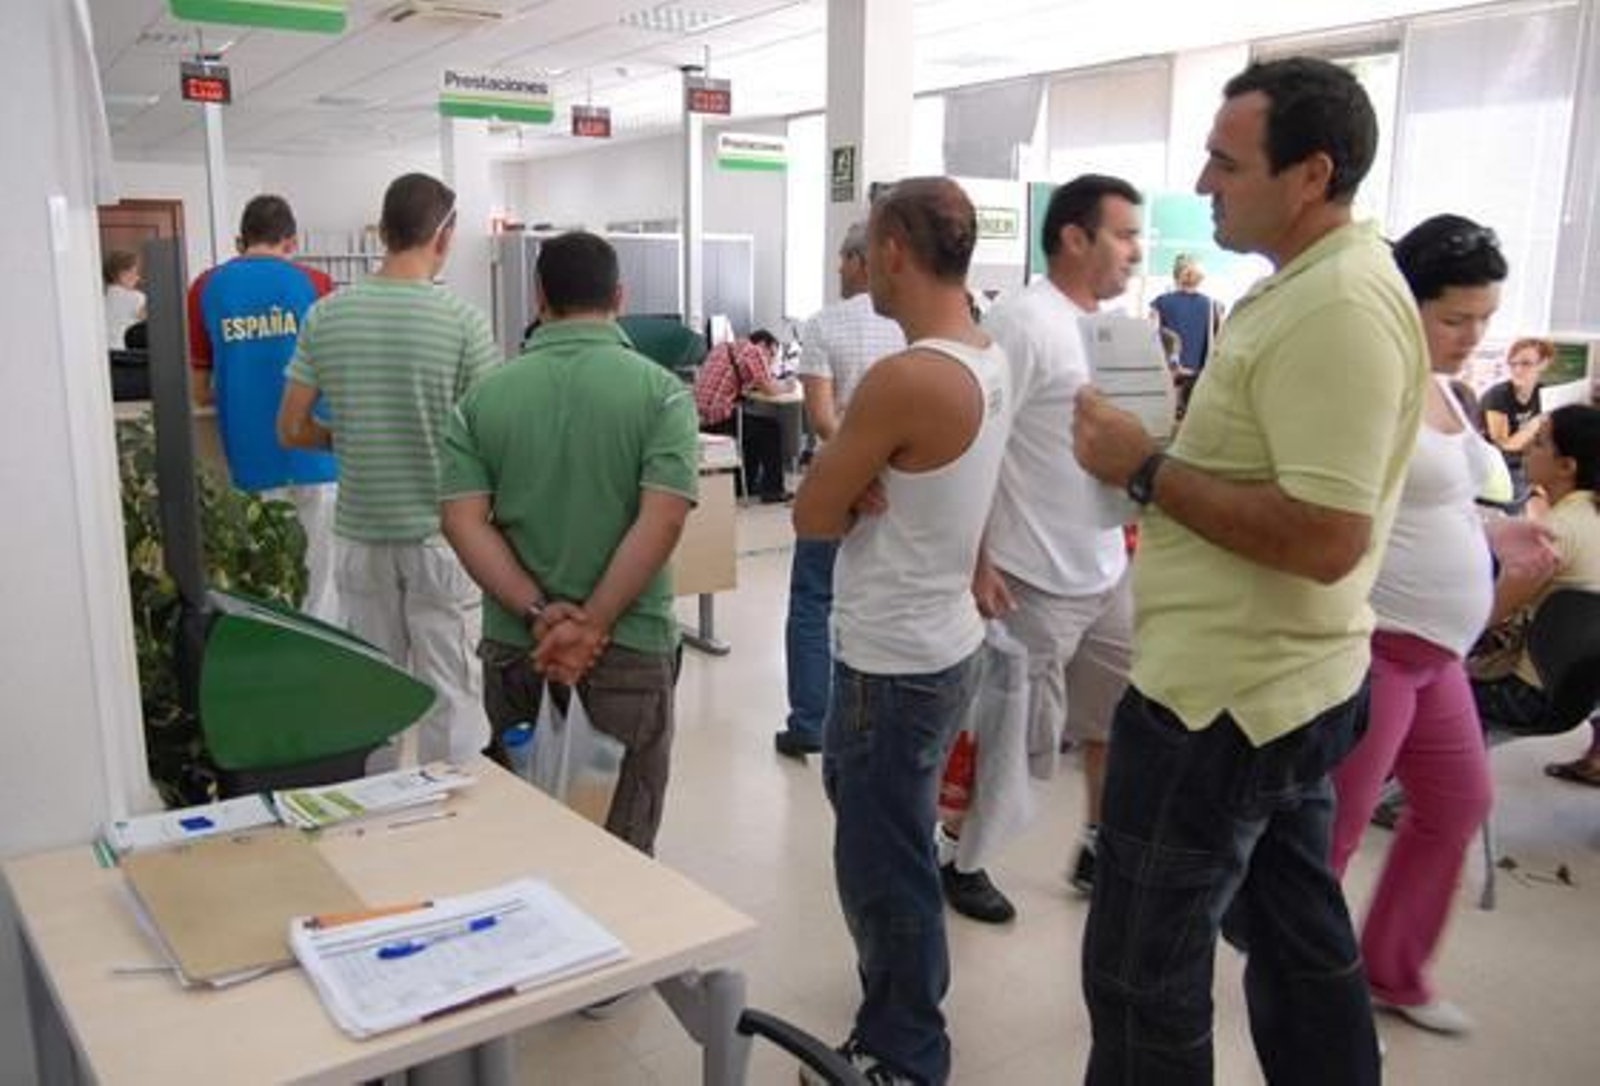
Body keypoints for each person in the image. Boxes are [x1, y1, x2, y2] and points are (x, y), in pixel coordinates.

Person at [1070, 57, 1426, 1085]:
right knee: (1297, 943)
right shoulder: (1302, 290)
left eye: (1227, 164)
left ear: (1310, 175)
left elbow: (1324, 537)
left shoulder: (1338, 309)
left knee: (1141, 976)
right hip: (1274, 687)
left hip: (1220, 706)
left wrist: (1143, 468)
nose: (1204, 184)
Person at [793, 177, 1010, 1086]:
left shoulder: (907, 377)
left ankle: (904, 1049)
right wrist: (863, 474)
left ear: (890, 252)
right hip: (940, 639)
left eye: (866, 250)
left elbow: (811, 512)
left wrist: (851, 474)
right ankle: (902, 1002)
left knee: (883, 862)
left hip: (893, 657)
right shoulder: (985, 356)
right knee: (888, 826)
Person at [1328, 213, 1552, 1037]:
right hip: (1378, 646)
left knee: (1457, 804)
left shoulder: (1449, 391)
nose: (1473, 336)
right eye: (1456, 317)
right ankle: (1310, 992)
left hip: (1439, 655)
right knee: (1335, 831)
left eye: (1484, 319)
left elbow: (1445, 503)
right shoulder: (1371, 384)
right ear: (1406, 302)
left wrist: (1499, 533)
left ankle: (1394, 968)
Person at [440, 231, 697, 854]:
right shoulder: (663, 394)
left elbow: (463, 521)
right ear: (619, 297)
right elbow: (662, 519)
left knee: (531, 841)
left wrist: (537, 611)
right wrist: (593, 624)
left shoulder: (481, 401)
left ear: (539, 297)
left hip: (519, 649)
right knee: (621, 851)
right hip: (629, 648)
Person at [945, 173, 1142, 925]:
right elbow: (977, 442)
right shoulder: (1023, 322)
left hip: (1106, 565)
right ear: (1074, 237)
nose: (1134, 251)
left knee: (1115, 719)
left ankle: (1099, 845)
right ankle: (960, 855)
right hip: (1031, 572)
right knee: (1011, 734)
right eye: (1123, 235)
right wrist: (977, 561)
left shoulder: (1113, 330)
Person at [278, 172, 497, 766]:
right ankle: (452, 809)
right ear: (444, 236)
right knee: (452, 694)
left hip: (362, 539)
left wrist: (348, 435)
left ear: (382, 232)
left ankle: (379, 806)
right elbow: (492, 439)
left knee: (371, 697)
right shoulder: (464, 322)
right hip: (444, 541)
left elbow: (291, 428)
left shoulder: (326, 315)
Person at [775, 222, 905, 759]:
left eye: (842, 260)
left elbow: (823, 419)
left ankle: (810, 720)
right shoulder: (908, 325)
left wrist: (855, 469)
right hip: (899, 487)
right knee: (885, 598)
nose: (838, 269)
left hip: (840, 484)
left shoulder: (824, 323)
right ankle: (877, 723)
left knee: (813, 597)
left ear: (859, 261)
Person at [187, 195, 341, 623]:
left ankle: (276, 651)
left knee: (265, 581)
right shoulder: (317, 283)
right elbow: (336, 371)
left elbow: (199, 390)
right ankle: (321, 652)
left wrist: (242, 384)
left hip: (250, 455)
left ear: (240, 240)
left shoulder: (205, 287)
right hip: (317, 452)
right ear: (291, 242)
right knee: (323, 581)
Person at [1473, 405, 1600, 736]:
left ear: (1567, 466)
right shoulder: (1588, 517)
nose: (1526, 447)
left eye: (1539, 442)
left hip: (1526, 695)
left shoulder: (1555, 533)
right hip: (1581, 695)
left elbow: (1482, 618)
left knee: (1410, 681)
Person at [693, 328, 794, 502]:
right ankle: (773, 490)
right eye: (771, 354)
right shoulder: (753, 351)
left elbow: (739, 379)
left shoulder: (723, 347)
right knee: (771, 428)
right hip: (719, 418)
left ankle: (743, 485)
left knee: (753, 428)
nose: (769, 360)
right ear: (763, 344)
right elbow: (770, 389)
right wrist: (788, 386)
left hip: (700, 419)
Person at [1482, 336, 1555, 501]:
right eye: (1513, 364)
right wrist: (1536, 423)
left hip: (1525, 461)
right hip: (1499, 465)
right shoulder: (1498, 395)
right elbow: (1504, 446)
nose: (1517, 370)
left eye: (1526, 364)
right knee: (1527, 494)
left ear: (1543, 364)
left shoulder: (1544, 393)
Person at [1149, 252, 1223, 376]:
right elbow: (1220, 343)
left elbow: (1151, 338)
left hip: (1169, 375)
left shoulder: (1159, 303)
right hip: (1200, 378)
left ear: (1176, 275)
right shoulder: (1213, 305)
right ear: (1200, 277)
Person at [103, 249, 146, 350]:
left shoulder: (104, 298)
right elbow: (157, 319)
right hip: (128, 353)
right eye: (135, 273)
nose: (138, 278)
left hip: (109, 353)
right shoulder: (135, 298)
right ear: (123, 275)